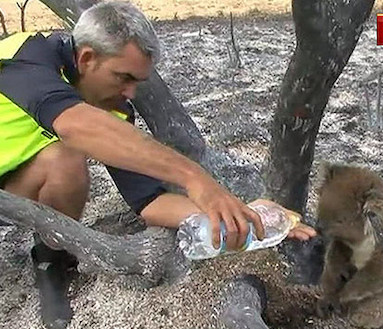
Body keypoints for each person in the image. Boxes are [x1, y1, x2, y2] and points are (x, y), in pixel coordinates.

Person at [0, 1, 316, 328]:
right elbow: (76, 125)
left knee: (62, 160)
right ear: (87, 58)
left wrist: (242, 217)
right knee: (68, 150)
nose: (131, 91)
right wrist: (196, 179)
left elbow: (150, 202)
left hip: (11, 192)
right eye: (123, 77)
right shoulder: (25, 58)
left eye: (138, 81)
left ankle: (50, 260)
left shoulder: (114, 109)